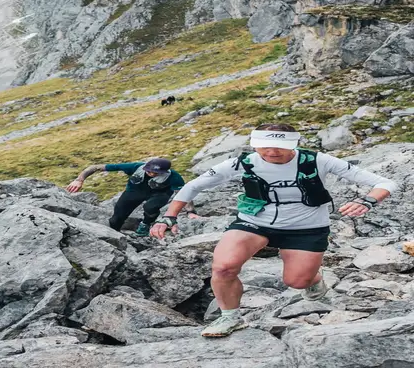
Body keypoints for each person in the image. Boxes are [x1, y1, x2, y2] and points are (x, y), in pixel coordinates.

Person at [151, 123, 397, 337]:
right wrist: (169, 216)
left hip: (306, 226)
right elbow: (192, 186)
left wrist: (367, 201)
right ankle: (230, 317)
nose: (271, 152)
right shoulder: (242, 162)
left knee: (296, 281)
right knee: (223, 267)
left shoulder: (317, 160)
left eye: (279, 147)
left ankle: (313, 279)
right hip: (254, 221)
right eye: (263, 146)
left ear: (295, 144)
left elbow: (385, 182)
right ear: (254, 144)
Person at [66, 157, 188, 237]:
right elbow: (95, 167)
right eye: (149, 171)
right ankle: (114, 234)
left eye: (155, 173)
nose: (151, 174)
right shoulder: (135, 167)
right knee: (117, 217)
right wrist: (79, 179)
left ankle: (144, 226)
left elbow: (183, 193)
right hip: (134, 192)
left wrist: (190, 211)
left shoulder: (174, 177)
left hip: (160, 194)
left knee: (150, 207)